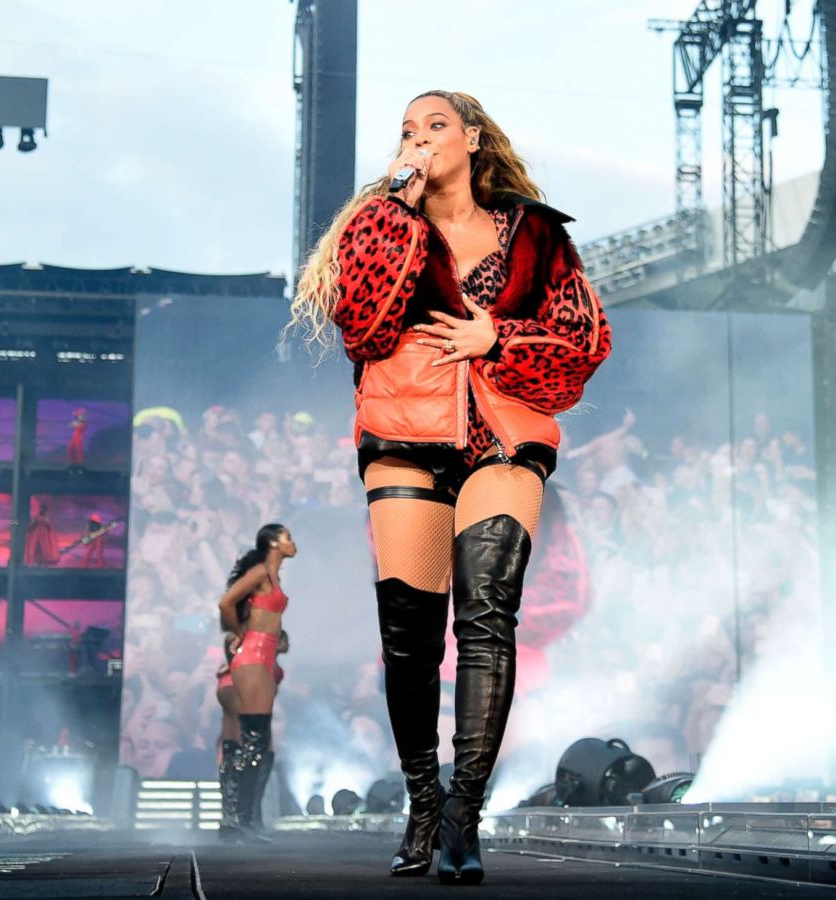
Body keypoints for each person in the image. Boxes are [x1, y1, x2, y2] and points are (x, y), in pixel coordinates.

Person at [290, 90, 611, 882]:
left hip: (505, 431)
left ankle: (464, 812)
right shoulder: (377, 223)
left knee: (487, 614)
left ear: (471, 138)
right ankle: (422, 802)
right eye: (407, 129)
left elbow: (585, 341)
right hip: (404, 430)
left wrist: (495, 333)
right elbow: (361, 322)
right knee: (409, 637)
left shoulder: (535, 234)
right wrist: (395, 203)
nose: (420, 138)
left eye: (435, 125)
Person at [216, 524, 297, 844]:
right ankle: (240, 820)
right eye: (288, 537)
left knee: (256, 739)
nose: (293, 543)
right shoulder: (262, 571)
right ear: (274, 543)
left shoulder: (272, 576)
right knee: (254, 737)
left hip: (262, 656)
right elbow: (226, 602)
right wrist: (239, 633)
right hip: (252, 654)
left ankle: (243, 819)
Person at [213, 635, 242, 839]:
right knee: (230, 780)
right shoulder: (228, 674)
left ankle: (237, 821)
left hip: (242, 736)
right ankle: (230, 821)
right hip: (232, 737)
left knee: (237, 781)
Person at [23, 499, 59, 566]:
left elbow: (50, 528)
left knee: (44, 550)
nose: (41, 510)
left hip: (44, 538)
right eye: (41, 509)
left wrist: (46, 523)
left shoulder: (47, 518)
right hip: (35, 537)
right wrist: (35, 523)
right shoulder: (35, 518)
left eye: (43, 509)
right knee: (34, 549)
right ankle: (35, 563)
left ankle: (43, 563)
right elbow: (30, 527)